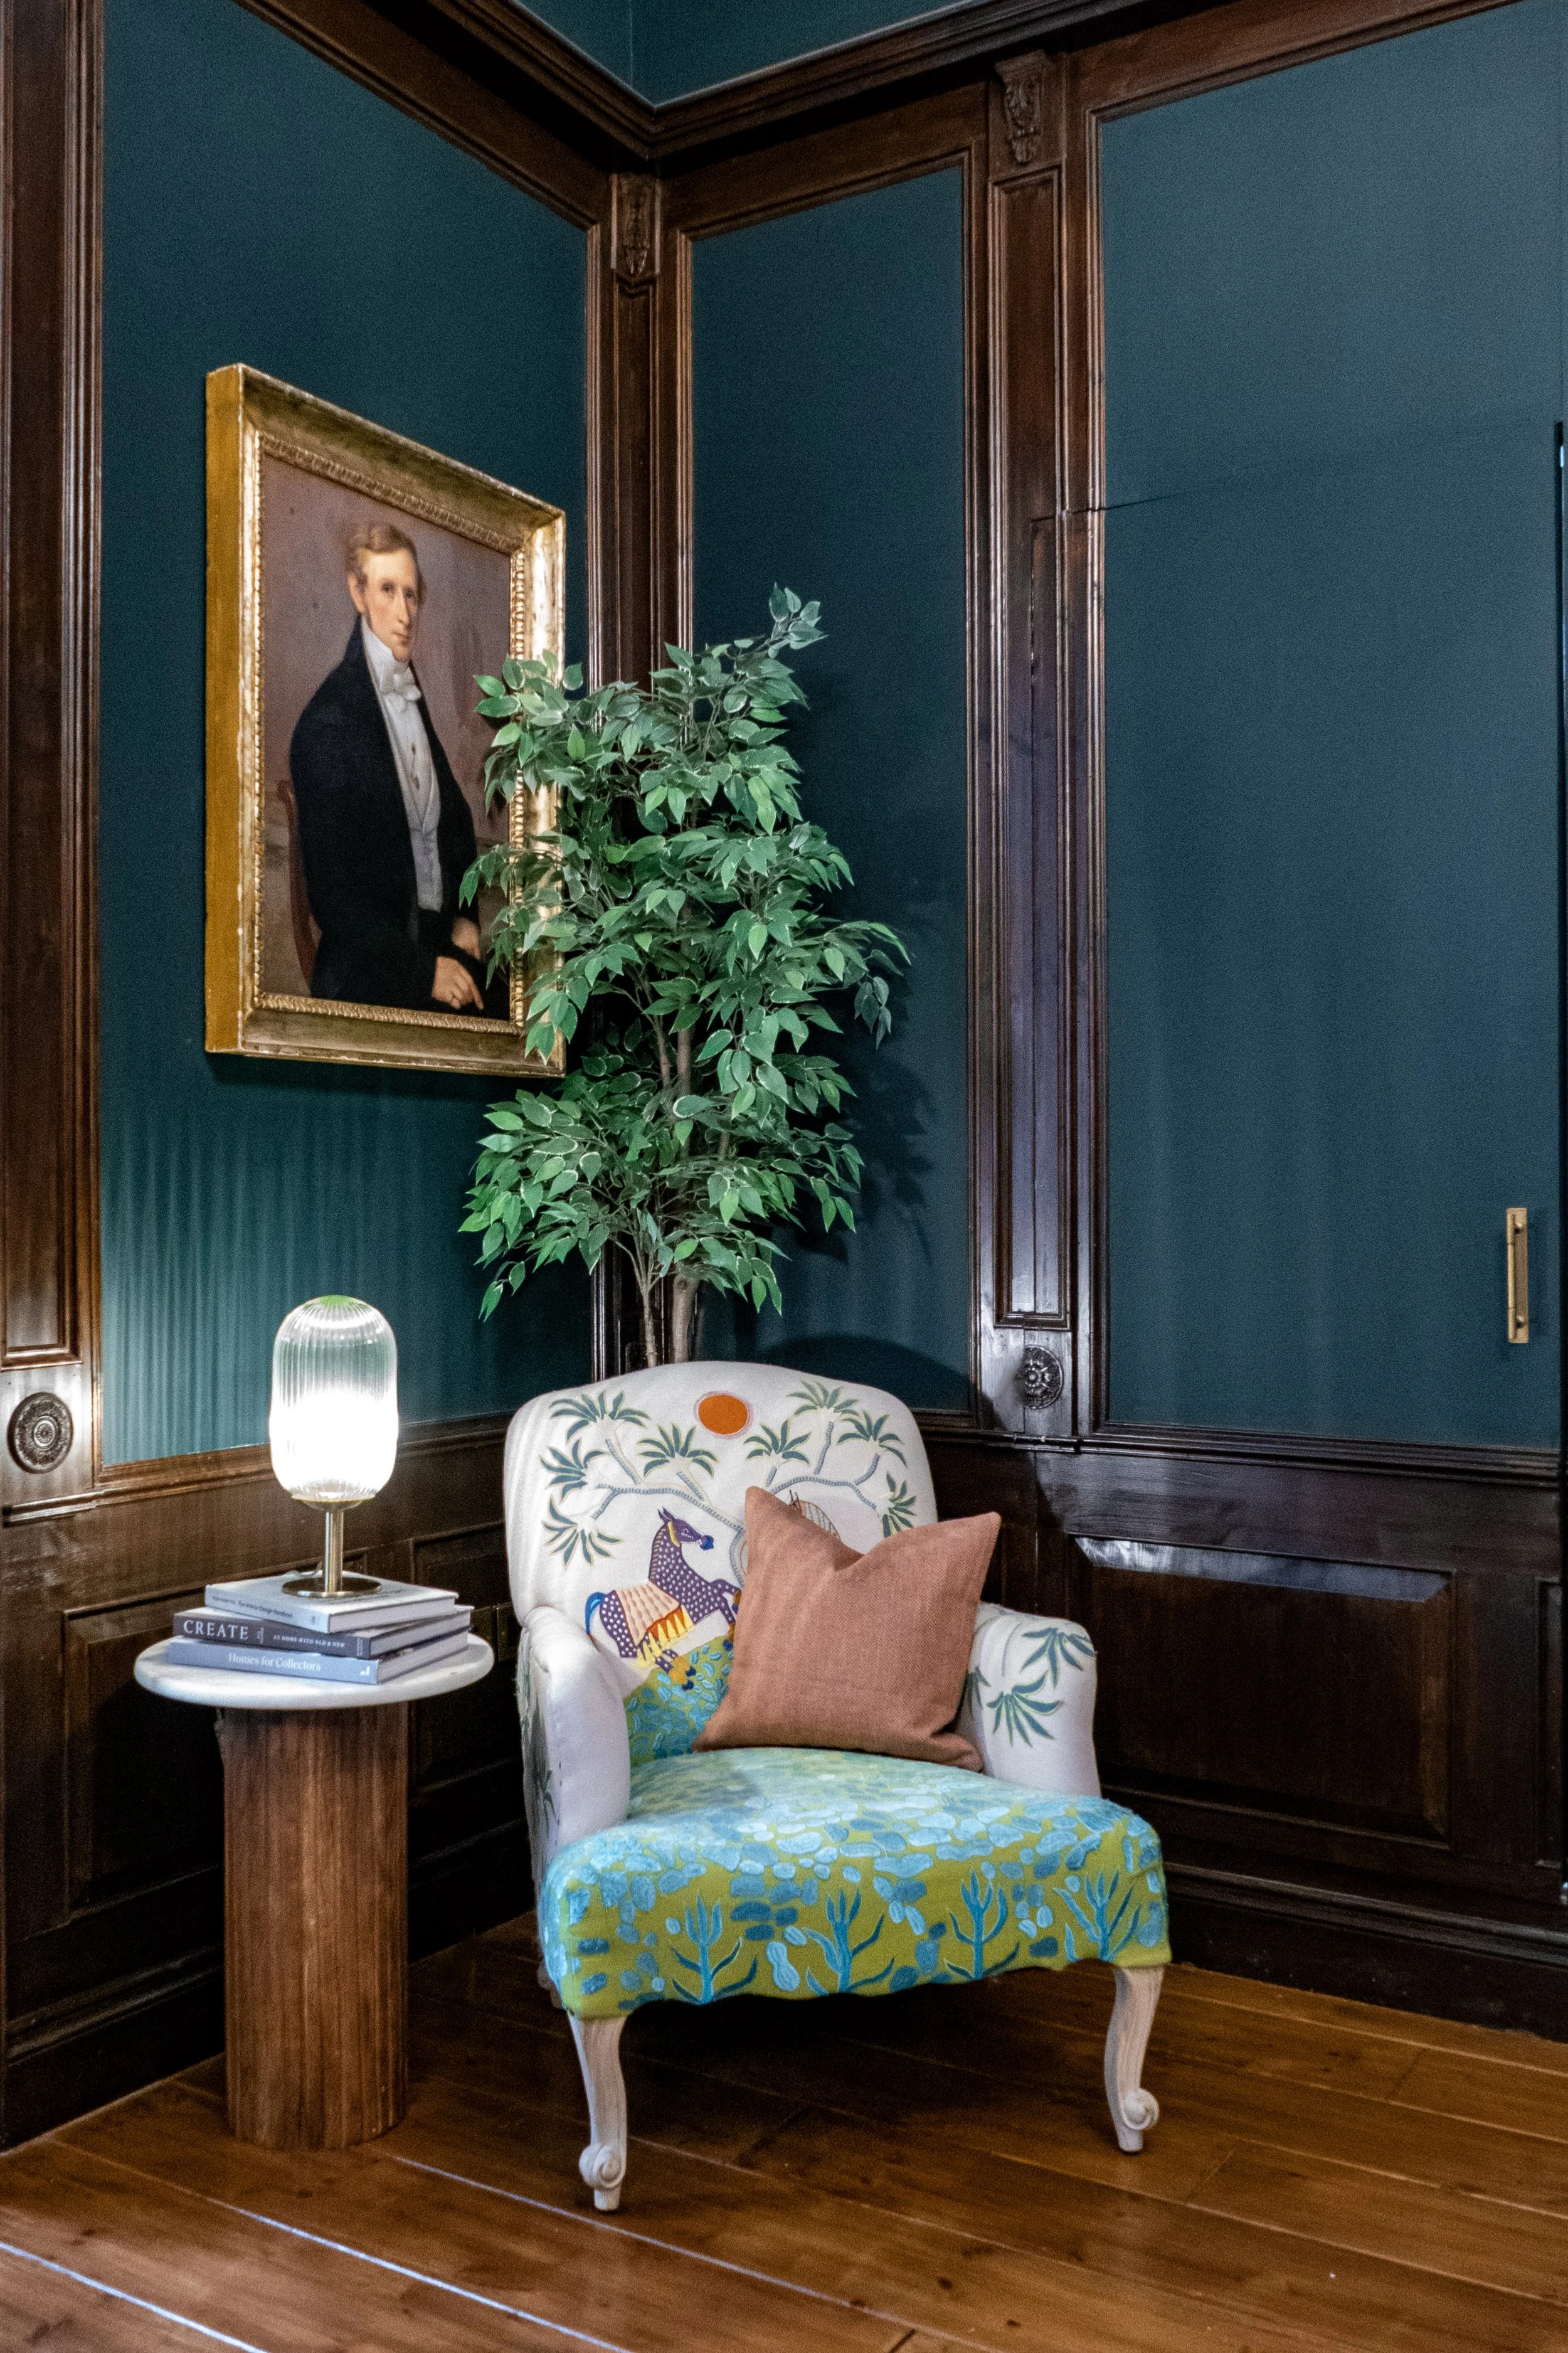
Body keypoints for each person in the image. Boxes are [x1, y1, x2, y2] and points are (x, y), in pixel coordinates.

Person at [289, 521, 499, 1014]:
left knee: (522, 1012)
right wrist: (424, 972)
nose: (405, 613)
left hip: (431, 944)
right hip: (369, 968)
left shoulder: (408, 691)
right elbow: (335, 902)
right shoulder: (326, 723)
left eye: (412, 594)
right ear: (357, 592)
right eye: (387, 591)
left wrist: (466, 916)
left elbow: (455, 819)